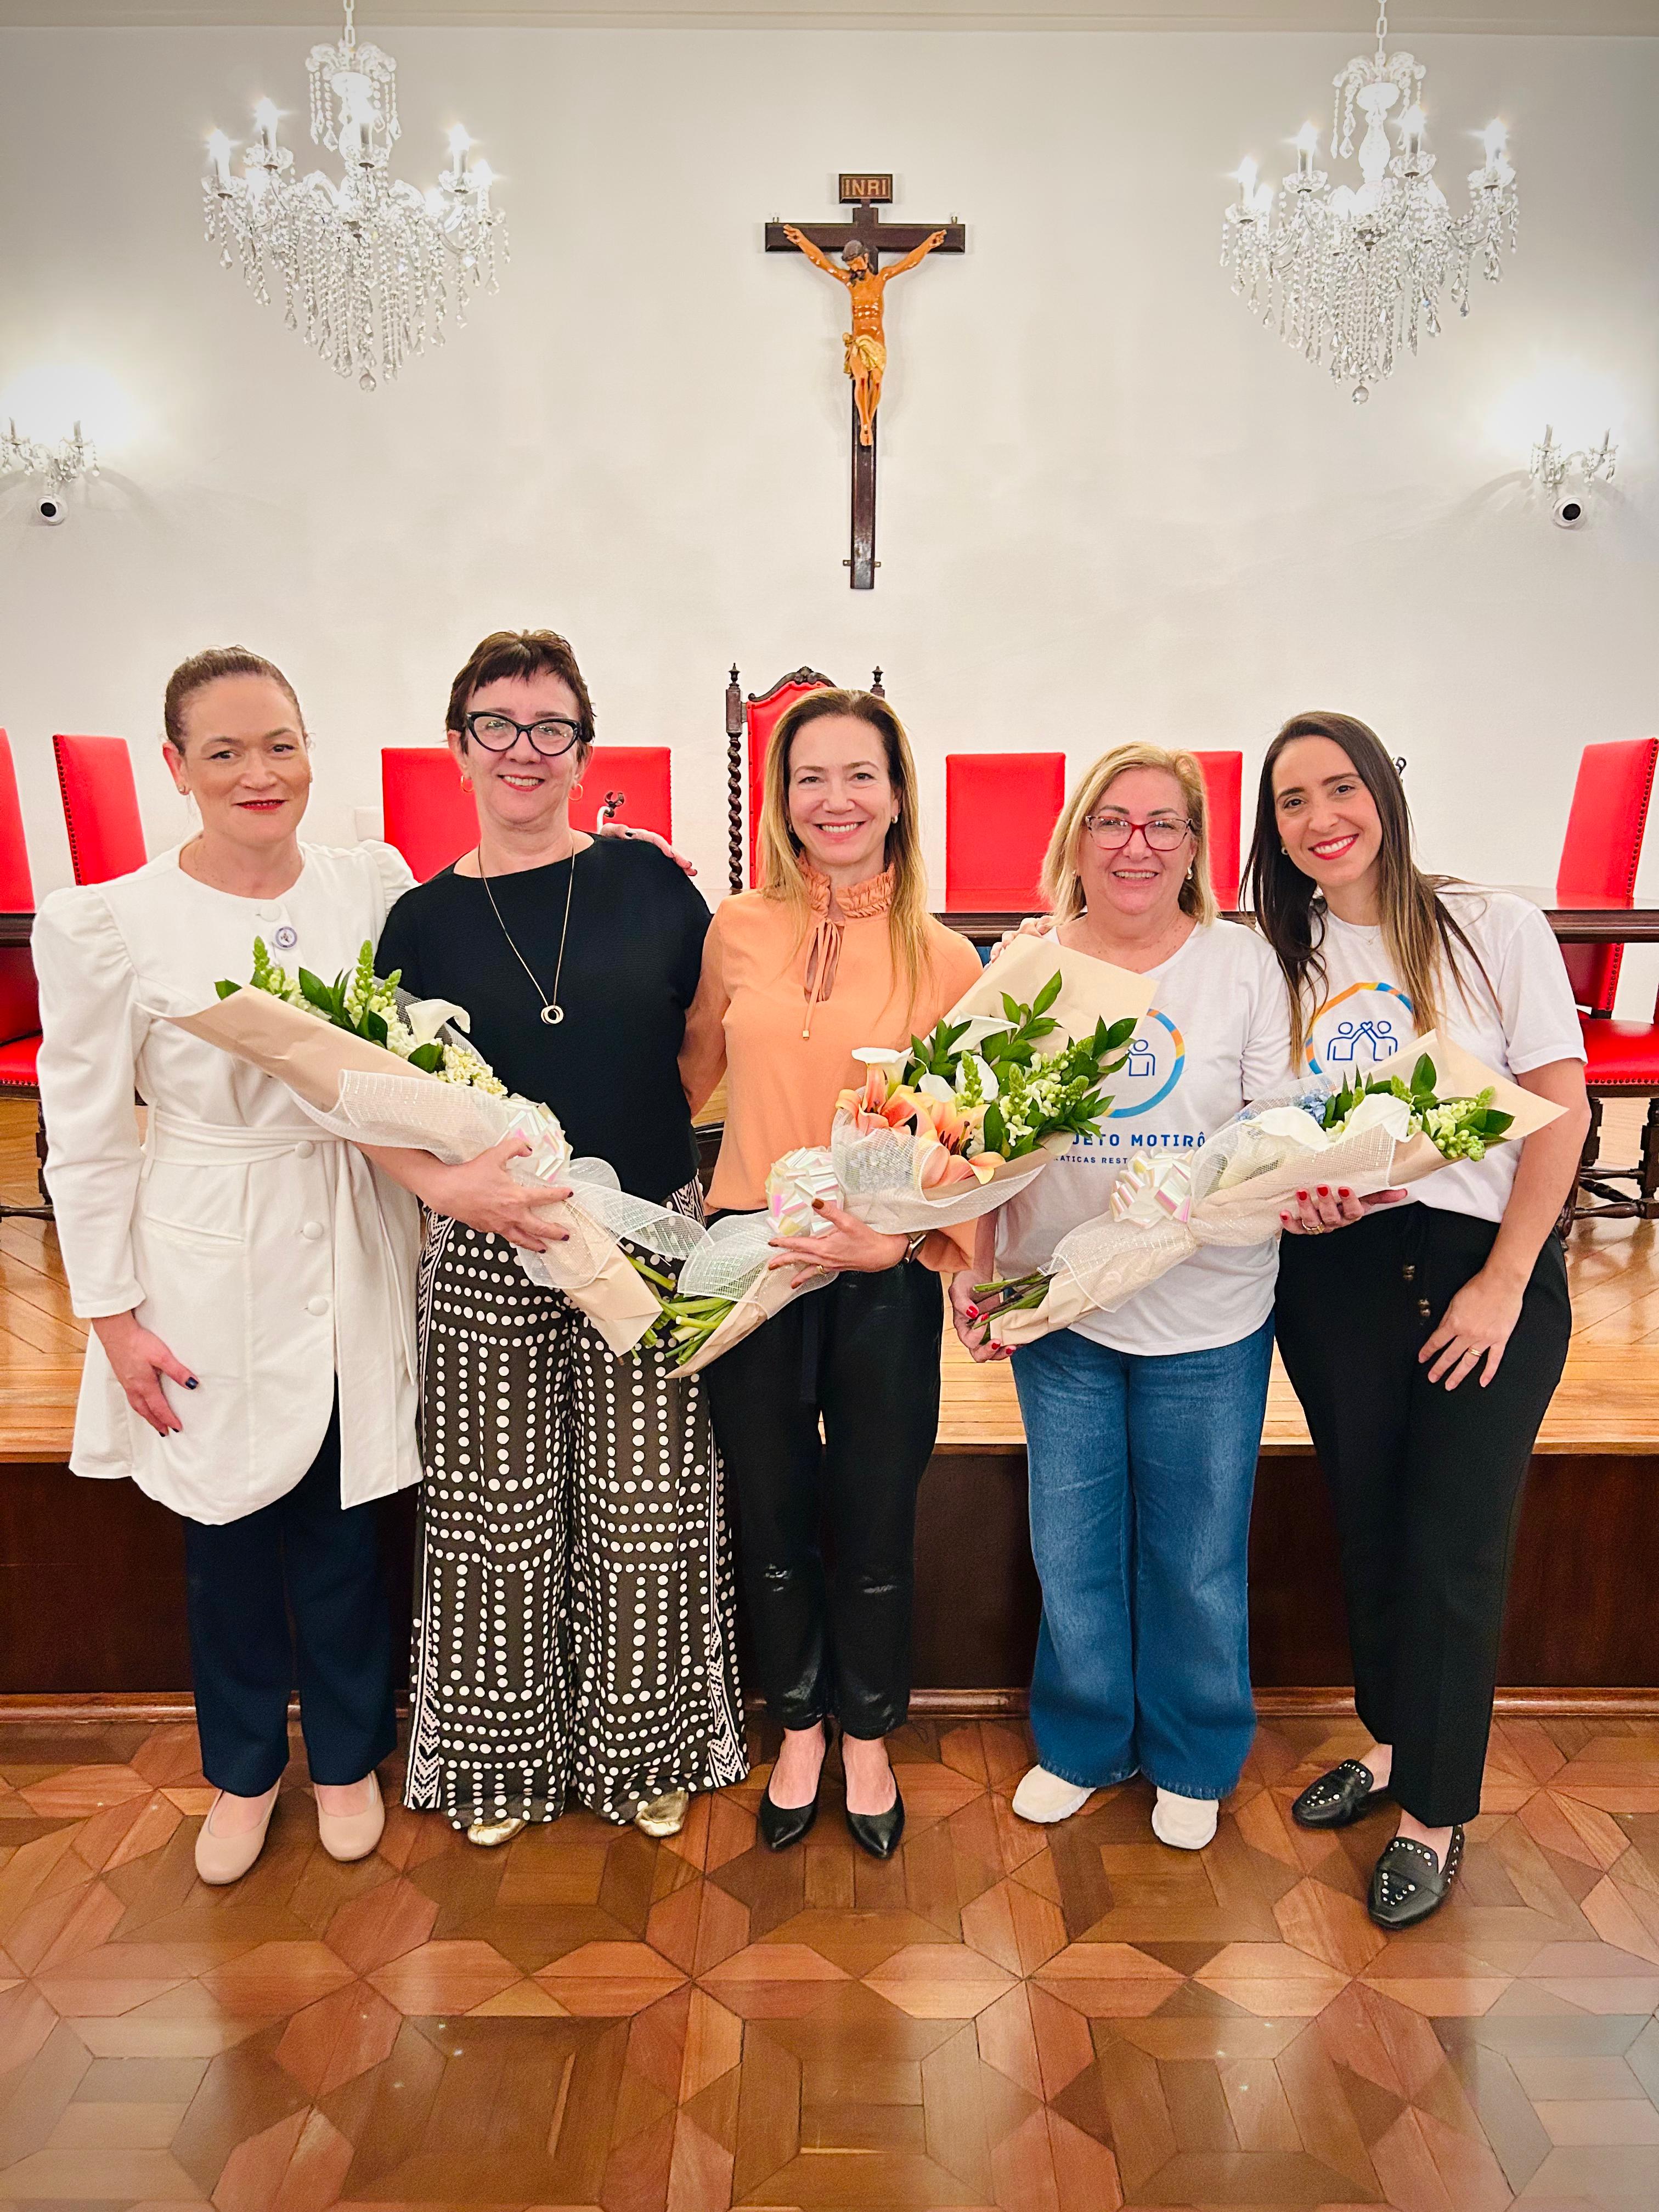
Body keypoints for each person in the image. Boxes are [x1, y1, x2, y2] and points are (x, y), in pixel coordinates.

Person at [33, 646, 419, 1884]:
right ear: (176, 768)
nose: (261, 773)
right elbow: (88, 1136)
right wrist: (111, 1315)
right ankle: (244, 1773)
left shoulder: (369, 885)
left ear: (310, 752)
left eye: (281, 745)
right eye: (226, 752)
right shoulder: (112, 922)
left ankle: (348, 1761)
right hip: (203, 1240)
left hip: (351, 1220)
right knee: (227, 1529)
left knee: (347, 1526)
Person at [369, 628, 745, 1846]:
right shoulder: (419, 922)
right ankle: (497, 1763)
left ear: (584, 752)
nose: (523, 750)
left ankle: (644, 1753)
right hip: (488, 1247)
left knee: (649, 1508)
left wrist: (626, 1170)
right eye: (498, 724)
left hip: (644, 1233)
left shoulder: (653, 886)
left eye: (551, 728)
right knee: (495, 1515)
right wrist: (460, 1196)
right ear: (457, 745)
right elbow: (375, 1105)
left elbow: (703, 1043)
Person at [1251, 711, 1588, 1928]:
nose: (1322, 818)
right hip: (1338, 1276)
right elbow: (1268, 1132)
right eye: (1293, 801)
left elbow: (1561, 1107)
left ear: (1385, 795)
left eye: (1341, 788)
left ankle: (1434, 1817)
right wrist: (1295, 1196)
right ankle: (1394, 1745)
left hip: (1479, 1265)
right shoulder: (1278, 959)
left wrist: (1506, 1279)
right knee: (1371, 1523)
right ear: (1274, 830)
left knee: (1454, 1542)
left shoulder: (1491, 927)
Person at [952, 743, 1291, 1852]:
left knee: (1196, 1554)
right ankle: (1086, 1740)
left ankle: (1194, 1753)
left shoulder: (1241, 965)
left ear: (1195, 847)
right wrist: (976, 1273)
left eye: (1162, 825)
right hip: (1061, 1306)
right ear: (1077, 841)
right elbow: (981, 1136)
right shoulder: (1027, 963)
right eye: (1111, 821)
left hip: (1210, 1309)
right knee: (1073, 1545)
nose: (1135, 846)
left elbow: (1278, 1126)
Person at [680, 688, 981, 1858]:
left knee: (872, 1516)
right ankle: (798, 1724)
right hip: (751, 1256)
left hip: (879, 1269)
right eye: (811, 776)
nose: (836, 799)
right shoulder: (736, 929)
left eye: (862, 774)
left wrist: (904, 1245)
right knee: (770, 1514)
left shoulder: (946, 956)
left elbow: (971, 1143)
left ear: (899, 795)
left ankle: (867, 1732)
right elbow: (685, 1076)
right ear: (782, 797)